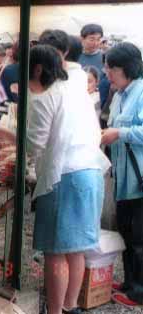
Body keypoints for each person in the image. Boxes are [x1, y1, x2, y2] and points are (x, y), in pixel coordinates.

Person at [28, 44, 108, 314]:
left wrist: (11, 138)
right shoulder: (76, 89)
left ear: (37, 70)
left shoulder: (45, 96)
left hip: (65, 177)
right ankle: (70, 307)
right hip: (91, 173)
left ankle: (53, 311)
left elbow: (34, 144)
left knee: (55, 251)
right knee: (76, 250)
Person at [100, 42, 143, 309]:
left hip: (140, 179)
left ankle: (140, 292)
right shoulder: (118, 94)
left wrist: (121, 134)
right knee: (126, 233)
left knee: (140, 238)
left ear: (126, 68)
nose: (107, 73)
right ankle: (129, 282)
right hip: (123, 178)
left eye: (111, 68)